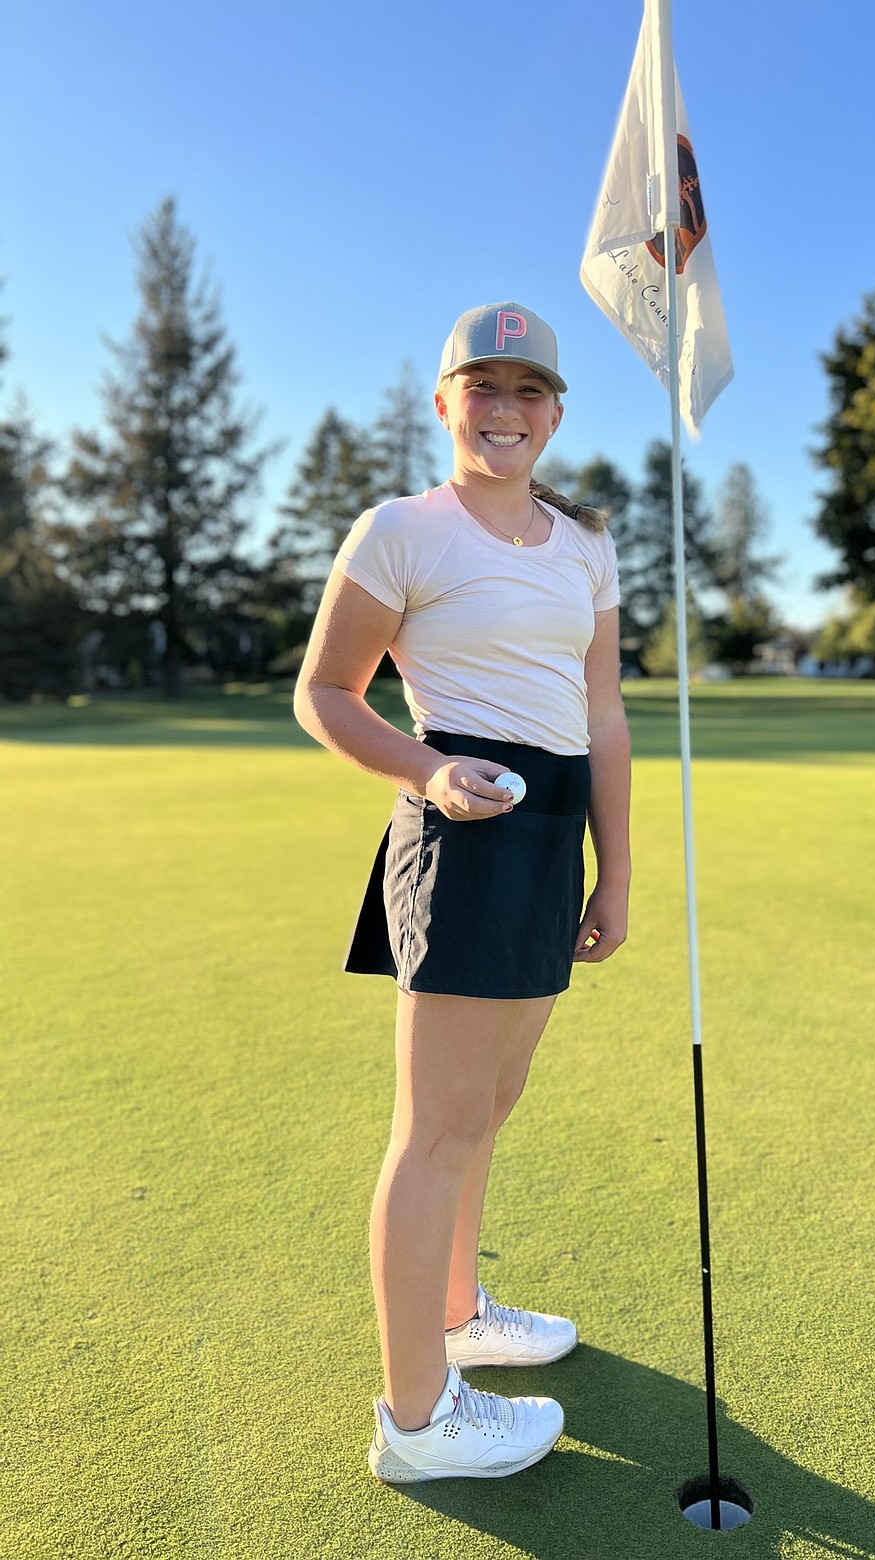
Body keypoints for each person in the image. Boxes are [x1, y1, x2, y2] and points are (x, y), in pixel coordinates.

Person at [293, 302, 631, 1483]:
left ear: (555, 413)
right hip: (463, 822)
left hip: (550, 833)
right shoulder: (400, 531)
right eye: (481, 389)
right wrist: (430, 772)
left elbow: (601, 718)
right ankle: (418, 1418)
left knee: (487, 1111)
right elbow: (326, 694)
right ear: (445, 404)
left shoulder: (587, 544)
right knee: (435, 1131)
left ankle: (456, 1312)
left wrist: (617, 870)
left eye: (528, 391)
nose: (505, 411)